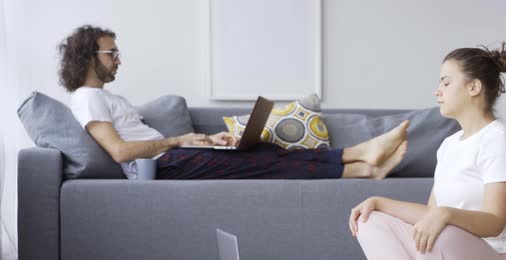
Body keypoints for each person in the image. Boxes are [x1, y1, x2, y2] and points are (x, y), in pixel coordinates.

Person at [58, 25, 409, 180]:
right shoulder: (87, 98)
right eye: (112, 52)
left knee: (266, 151)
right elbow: (120, 152)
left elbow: (134, 139)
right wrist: (180, 140)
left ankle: (364, 167)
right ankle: (362, 154)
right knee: (262, 159)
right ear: (90, 56)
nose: (118, 59)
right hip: (163, 167)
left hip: (172, 157)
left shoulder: (104, 96)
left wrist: (206, 140)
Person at [349, 43, 506, 260]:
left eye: (446, 83)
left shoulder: (500, 140)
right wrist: (378, 202)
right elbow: (430, 217)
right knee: (369, 219)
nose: (437, 91)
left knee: (442, 234)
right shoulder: (449, 145)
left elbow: (495, 222)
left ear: (473, 88)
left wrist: (446, 215)